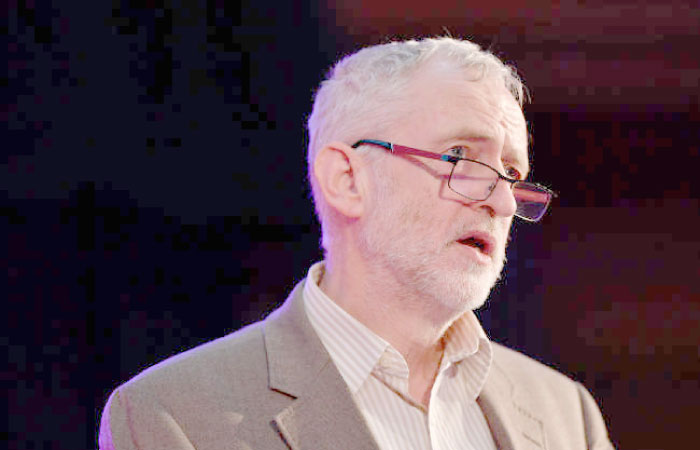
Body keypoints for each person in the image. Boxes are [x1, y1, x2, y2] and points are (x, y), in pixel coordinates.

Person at [99, 37, 614, 450]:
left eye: (512, 173)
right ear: (347, 179)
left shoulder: (566, 414)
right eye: (459, 156)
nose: (502, 204)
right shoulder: (174, 418)